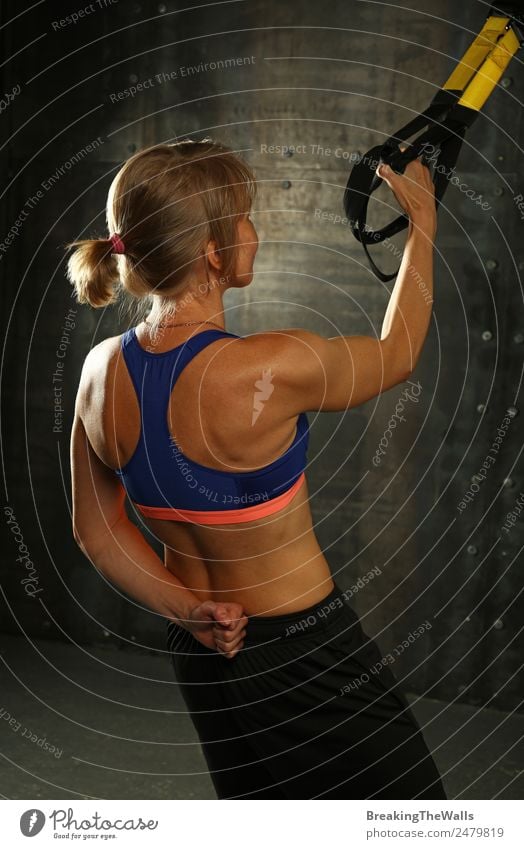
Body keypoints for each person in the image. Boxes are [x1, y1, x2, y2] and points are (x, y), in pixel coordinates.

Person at [67, 138, 446, 799]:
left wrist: (189, 610)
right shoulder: (265, 367)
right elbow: (400, 351)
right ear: (213, 251)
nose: (253, 229)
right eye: (243, 215)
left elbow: (95, 532)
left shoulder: (99, 372)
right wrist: (424, 229)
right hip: (303, 653)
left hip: (202, 646)